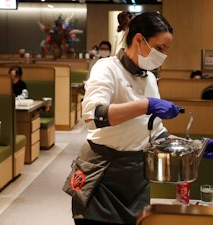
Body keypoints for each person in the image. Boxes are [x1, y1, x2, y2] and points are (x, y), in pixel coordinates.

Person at [64, 12, 180, 225]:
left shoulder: (151, 79)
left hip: (136, 178)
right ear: (138, 39)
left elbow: (155, 132)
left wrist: (191, 146)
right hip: (103, 174)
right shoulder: (106, 67)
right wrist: (146, 105)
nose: (163, 55)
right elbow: (94, 114)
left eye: (166, 49)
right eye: (160, 47)